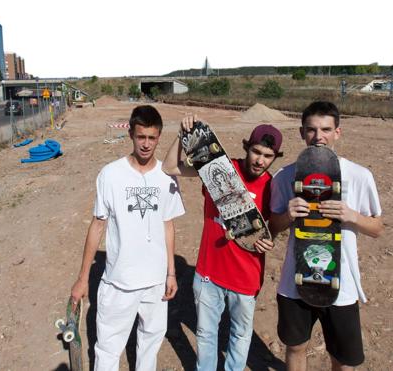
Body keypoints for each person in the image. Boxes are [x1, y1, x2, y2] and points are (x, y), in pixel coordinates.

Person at [269, 101, 384, 371]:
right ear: (301, 132)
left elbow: (378, 228)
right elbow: (272, 228)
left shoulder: (359, 176)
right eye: (311, 130)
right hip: (295, 280)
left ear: (337, 132)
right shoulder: (285, 177)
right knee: (296, 346)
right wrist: (287, 216)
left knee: (344, 360)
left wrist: (351, 215)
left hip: (340, 285)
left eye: (326, 129)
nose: (318, 136)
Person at [70, 105, 185, 371]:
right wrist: (82, 278)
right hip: (119, 283)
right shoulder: (110, 174)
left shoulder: (167, 177)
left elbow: (168, 225)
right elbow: (98, 225)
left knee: (150, 345)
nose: (146, 144)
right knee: (108, 349)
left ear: (159, 137)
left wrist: (171, 273)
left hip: (155, 283)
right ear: (131, 134)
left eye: (152, 138)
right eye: (141, 136)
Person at [162, 116, 283, 370]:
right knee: (206, 335)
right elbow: (170, 167)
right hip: (209, 273)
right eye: (256, 151)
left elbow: (273, 228)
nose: (260, 160)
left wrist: (269, 241)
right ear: (246, 147)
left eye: (268, 156)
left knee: (240, 336)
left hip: (246, 277)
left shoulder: (273, 187)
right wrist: (182, 134)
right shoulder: (217, 168)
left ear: (274, 158)